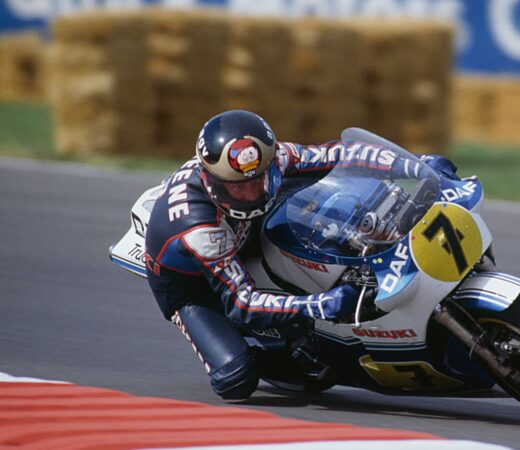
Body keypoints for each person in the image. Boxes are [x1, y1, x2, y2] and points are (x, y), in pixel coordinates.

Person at [144, 109, 458, 401]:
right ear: (212, 183)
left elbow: (341, 154)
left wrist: (418, 165)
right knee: (235, 380)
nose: (250, 194)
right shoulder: (198, 228)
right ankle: (275, 353)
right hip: (192, 282)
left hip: (245, 229)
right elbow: (242, 302)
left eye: (257, 182)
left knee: (327, 194)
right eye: (237, 189)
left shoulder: (273, 158)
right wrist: (319, 305)